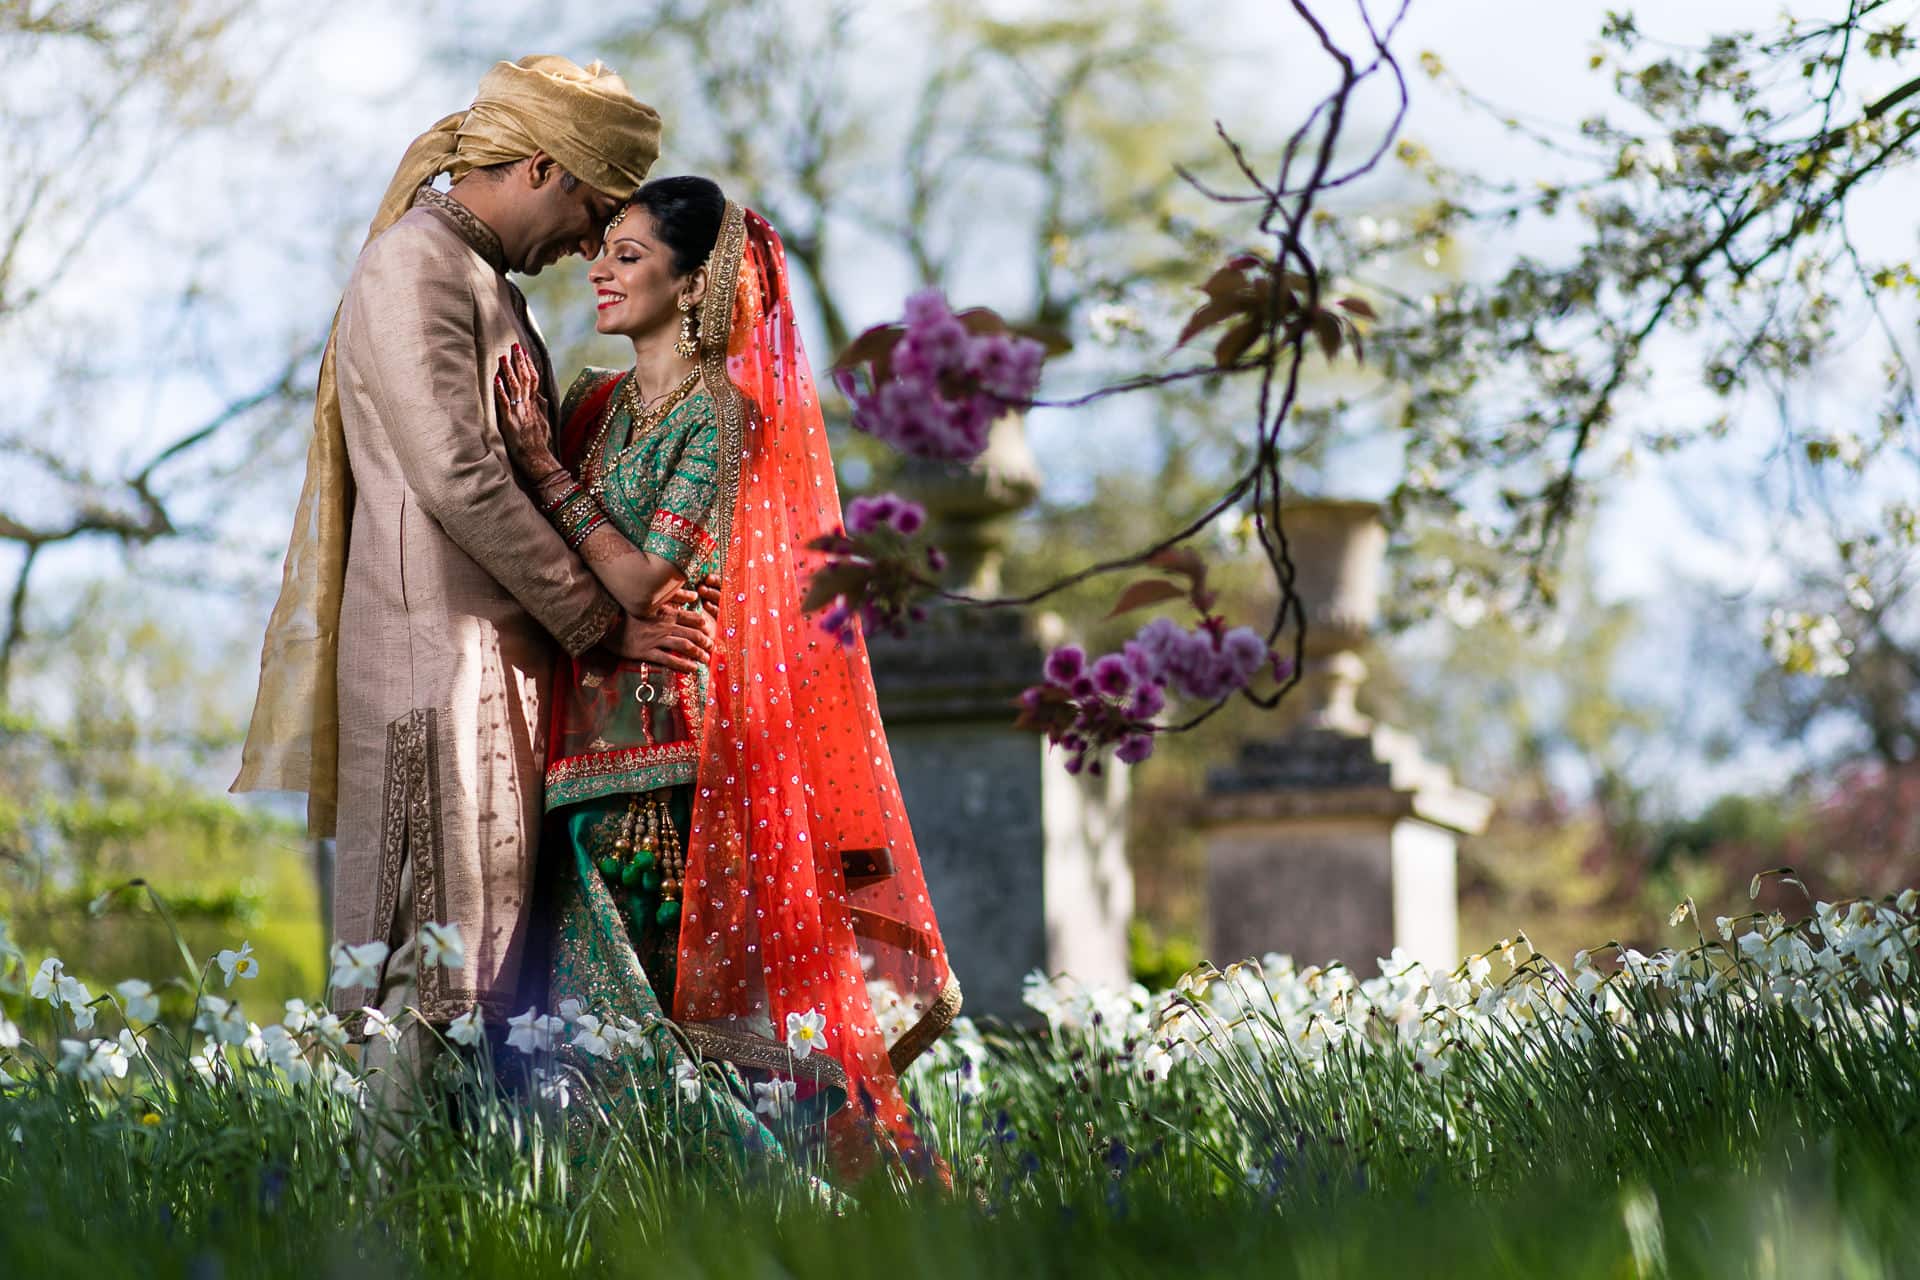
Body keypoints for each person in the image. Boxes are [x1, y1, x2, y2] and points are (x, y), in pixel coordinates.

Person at [231, 57, 700, 1100]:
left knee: (482, 981)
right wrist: (598, 620)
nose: (589, 246)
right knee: (427, 972)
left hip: (491, 675)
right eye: (590, 210)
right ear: (540, 166)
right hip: (433, 680)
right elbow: (459, 473)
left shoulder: (478, 277)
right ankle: (382, 1243)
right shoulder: (417, 267)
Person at [494, 176, 962, 1173]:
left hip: (668, 765)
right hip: (573, 747)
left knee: (651, 1028)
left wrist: (543, 475)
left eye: (628, 253)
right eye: (601, 248)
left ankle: (785, 1212)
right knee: (585, 1034)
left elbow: (638, 572)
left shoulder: (722, 415)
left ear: (693, 279)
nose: (600, 268)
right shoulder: (592, 407)